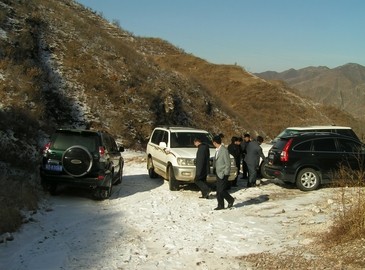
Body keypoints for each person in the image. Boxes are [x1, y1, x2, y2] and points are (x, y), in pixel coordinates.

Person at [212, 135, 235, 210]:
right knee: (218, 190)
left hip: (223, 173)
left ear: (215, 142)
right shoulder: (217, 150)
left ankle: (230, 199)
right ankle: (220, 205)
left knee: (221, 190)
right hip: (218, 172)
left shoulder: (224, 150)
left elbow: (228, 163)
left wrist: (226, 173)